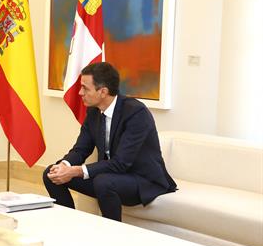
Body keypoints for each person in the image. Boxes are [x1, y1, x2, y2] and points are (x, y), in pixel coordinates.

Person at [43, 62, 177, 221]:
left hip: (142, 180)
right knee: (50, 174)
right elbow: (80, 149)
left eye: (85, 88)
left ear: (103, 91)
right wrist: (64, 166)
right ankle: (69, 225)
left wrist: (75, 171)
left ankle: (111, 235)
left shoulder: (136, 113)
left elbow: (121, 163)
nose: (80, 92)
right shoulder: (93, 112)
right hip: (111, 176)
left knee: (104, 182)